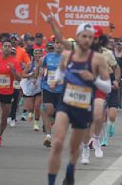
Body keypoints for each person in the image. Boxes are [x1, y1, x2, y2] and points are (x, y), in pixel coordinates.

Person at [47, 23, 110, 185]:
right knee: (58, 143)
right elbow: (61, 70)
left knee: (74, 148)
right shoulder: (66, 55)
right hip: (66, 104)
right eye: (84, 36)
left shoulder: (98, 59)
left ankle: (70, 169)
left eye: (90, 37)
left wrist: (93, 79)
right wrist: (56, 80)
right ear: (77, 38)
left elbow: (107, 86)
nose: (87, 40)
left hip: (83, 107)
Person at [40, 40, 64, 147]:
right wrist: (40, 71)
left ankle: (51, 121)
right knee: (47, 109)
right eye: (56, 43)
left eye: (60, 43)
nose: (58, 45)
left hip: (62, 90)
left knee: (58, 115)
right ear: (54, 45)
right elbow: (42, 66)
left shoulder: (67, 58)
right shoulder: (47, 57)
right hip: (48, 87)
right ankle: (48, 136)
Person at [20, 49, 43, 131]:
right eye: (36, 53)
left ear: (42, 55)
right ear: (33, 55)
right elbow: (22, 74)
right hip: (29, 87)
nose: (37, 55)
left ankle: (36, 123)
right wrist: (30, 75)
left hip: (39, 87)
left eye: (39, 53)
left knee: (37, 106)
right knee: (30, 107)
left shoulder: (44, 64)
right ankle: (30, 112)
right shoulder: (30, 64)